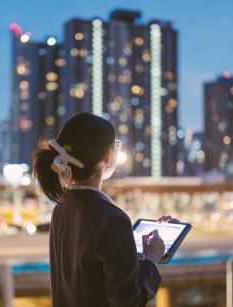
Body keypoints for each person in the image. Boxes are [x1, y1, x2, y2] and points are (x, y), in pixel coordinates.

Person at [32, 112, 178, 307]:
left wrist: (140, 253)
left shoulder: (61, 208)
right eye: (116, 145)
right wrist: (151, 260)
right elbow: (129, 300)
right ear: (108, 155)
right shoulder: (112, 220)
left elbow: (95, 271)